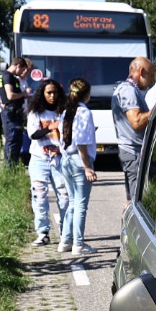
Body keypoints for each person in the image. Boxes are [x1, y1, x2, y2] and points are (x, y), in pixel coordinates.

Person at [26, 78, 70, 246]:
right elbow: (33, 135)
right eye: (48, 93)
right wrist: (50, 127)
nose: (52, 96)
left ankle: (66, 231)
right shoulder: (36, 113)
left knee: (64, 195)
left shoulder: (63, 112)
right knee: (40, 196)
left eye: (55, 92)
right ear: (42, 94)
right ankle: (43, 232)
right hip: (39, 159)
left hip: (60, 159)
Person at [59, 77, 99, 255]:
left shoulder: (67, 110)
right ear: (87, 94)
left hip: (66, 159)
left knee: (73, 203)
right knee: (81, 205)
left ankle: (65, 241)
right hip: (79, 160)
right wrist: (87, 167)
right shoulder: (84, 112)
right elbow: (81, 142)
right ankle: (79, 245)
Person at [111, 56, 156, 205]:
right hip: (133, 152)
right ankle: (129, 228)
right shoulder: (127, 91)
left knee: (131, 200)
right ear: (141, 72)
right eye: (151, 76)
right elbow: (136, 121)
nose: (152, 82)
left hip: (133, 152)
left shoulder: (129, 90)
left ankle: (126, 227)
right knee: (136, 203)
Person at [1, 57, 31, 166]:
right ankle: (10, 168)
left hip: (15, 113)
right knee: (12, 142)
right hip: (10, 115)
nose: (23, 72)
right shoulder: (8, 76)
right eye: (22, 69)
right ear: (18, 65)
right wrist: (24, 94)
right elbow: (10, 95)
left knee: (17, 141)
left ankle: (13, 166)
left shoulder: (12, 77)